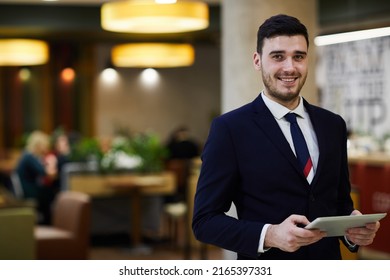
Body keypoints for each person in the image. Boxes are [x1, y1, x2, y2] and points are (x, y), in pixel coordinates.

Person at [192, 14, 380, 260]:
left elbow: (339, 206)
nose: (290, 67)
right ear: (257, 61)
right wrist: (269, 235)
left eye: (298, 57)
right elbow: (205, 221)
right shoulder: (230, 129)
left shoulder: (332, 125)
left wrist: (351, 231)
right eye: (278, 56)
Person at [15, 130, 58, 225]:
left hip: (27, 187)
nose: (46, 148)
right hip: (28, 190)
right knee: (50, 194)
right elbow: (44, 173)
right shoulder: (29, 156)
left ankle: (46, 223)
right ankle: (48, 224)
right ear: (39, 145)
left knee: (47, 193)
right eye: (44, 145)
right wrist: (52, 164)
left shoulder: (27, 155)